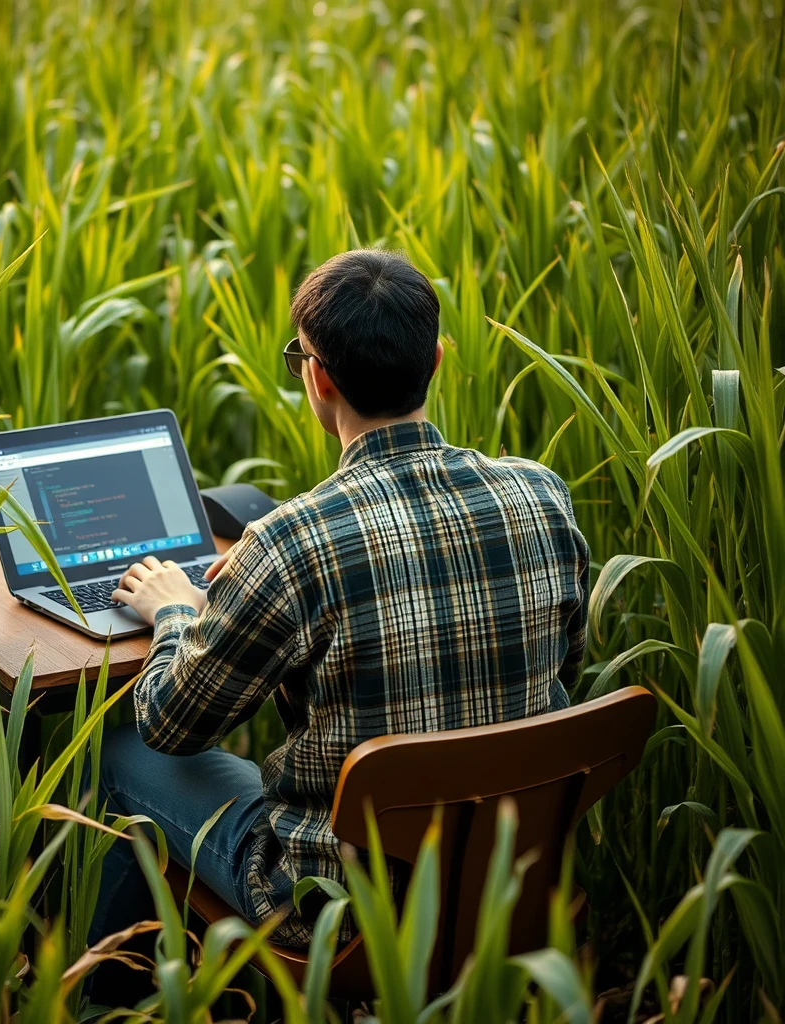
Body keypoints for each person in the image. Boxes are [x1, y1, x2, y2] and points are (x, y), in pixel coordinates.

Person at [87, 248, 589, 996]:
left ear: (318, 379)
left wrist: (176, 613)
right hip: (511, 879)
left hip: (340, 913)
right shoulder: (543, 495)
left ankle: (107, 998)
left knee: (123, 749)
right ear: (439, 358)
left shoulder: (291, 543)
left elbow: (171, 724)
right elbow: (563, 677)